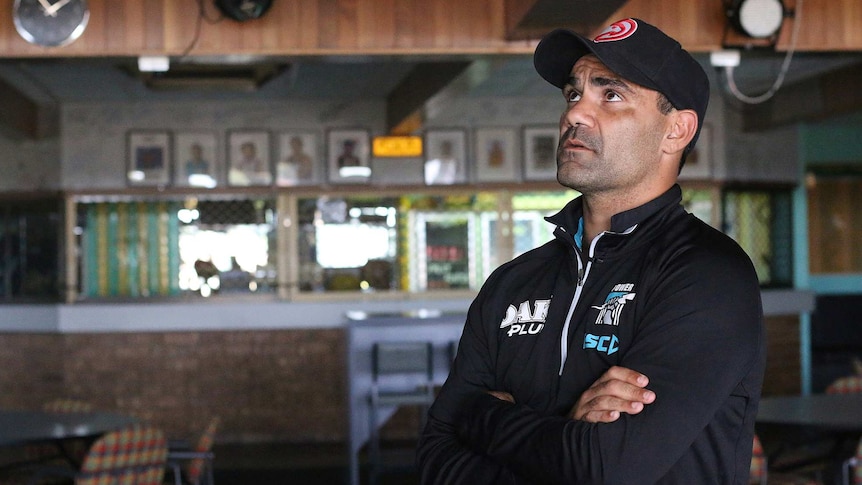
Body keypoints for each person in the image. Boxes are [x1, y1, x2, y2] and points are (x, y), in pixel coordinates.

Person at [416, 18, 765, 484]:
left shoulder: (708, 276)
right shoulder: (513, 282)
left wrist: (481, 416)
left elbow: (605, 468)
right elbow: (435, 455)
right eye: (573, 93)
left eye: (611, 94)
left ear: (676, 131)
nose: (575, 114)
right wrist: (565, 433)